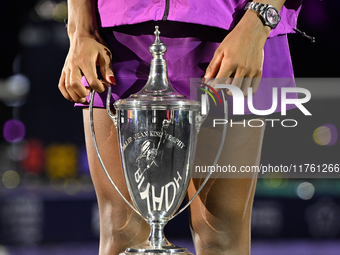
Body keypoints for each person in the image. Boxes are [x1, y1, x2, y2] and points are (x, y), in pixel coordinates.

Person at [58, 0, 302, 254]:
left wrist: (257, 23)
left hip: (236, 26)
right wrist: (80, 29)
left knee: (220, 235)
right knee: (122, 232)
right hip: (118, 34)